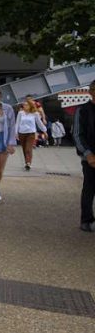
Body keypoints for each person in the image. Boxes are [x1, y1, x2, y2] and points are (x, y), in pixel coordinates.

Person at [74, 80, 95, 232]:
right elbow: (77, 134)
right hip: (90, 156)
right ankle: (86, 219)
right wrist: (88, 154)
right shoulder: (83, 110)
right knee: (90, 187)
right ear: (91, 92)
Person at [16, 97, 47, 171]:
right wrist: (16, 133)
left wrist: (44, 131)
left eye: (27, 105)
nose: (25, 106)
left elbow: (39, 123)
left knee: (28, 149)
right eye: (24, 105)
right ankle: (26, 162)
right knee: (24, 149)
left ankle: (28, 163)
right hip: (22, 133)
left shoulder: (35, 114)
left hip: (31, 133)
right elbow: (17, 123)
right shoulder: (21, 113)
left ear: (30, 105)